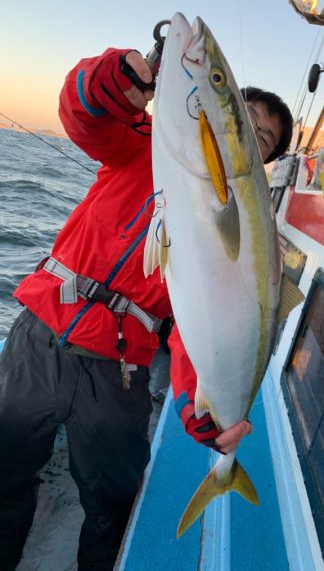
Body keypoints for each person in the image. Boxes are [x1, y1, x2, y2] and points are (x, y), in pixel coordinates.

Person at [0, 47, 293, 570]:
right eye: (242, 117)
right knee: (3, 467)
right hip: (40, 334)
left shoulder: (244, 233)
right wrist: (105, 80)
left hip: (122, 370)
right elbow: (83, 116)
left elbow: (198, 323)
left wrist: (192, 401)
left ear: (262, 160)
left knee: (111, 500)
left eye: (262, 136)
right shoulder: (143, 145)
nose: (245, 131)